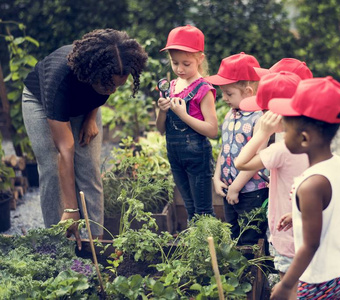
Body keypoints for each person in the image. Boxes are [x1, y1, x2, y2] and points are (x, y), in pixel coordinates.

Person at [22, 29, 148, 248]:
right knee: (51, 167)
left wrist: (91, 117)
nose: (112, 91)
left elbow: (101, 92)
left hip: (83, 107)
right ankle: (58, 242)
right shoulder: (59, 79)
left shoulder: (112, 68)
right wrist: (71, 209)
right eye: (108, 86)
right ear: (91, 74)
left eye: (118, 86)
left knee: (89, 167)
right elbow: (65, 150)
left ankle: (95, 243)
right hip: (41, 104)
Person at [269, 77, 340, 300]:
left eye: (286, 129)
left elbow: (311, 244)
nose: (283, 134)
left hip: (323, 275)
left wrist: (286, 285)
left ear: (304, 138)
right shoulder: (339, 163)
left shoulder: (310, 185)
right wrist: (301, 215)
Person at [235, 71, 308, 300]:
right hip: (312, 230)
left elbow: (242, 162)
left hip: (288, 238)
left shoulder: (282, 147)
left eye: (263, 112)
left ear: (273, 114)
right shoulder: (311, 137)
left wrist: (262, 132)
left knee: (290, 290)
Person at [205, 52, 268, 245]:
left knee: (251, 238)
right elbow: (225, 150)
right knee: (234, 236)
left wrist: (236, 187)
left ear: (249, 91)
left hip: (250, 192)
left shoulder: (260, 119)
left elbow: (257, 161)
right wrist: (217, 178)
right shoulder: (230, 115)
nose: (223, 98)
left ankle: (256, 274)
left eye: (229, 93)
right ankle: (240, 274)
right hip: (229, 189)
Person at [156, 25, 218, 221]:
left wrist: (183, 114)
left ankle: (210, 248)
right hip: (175, 156)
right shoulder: (171, 86)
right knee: (189, 207)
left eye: (186, 63)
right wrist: (162, 110)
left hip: (197, 156)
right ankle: (195, 247)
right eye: (175, 63)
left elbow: (212, 130)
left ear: (200, 59)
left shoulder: (204, 89)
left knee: (203, 211)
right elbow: (160, 129)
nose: (180, 69)